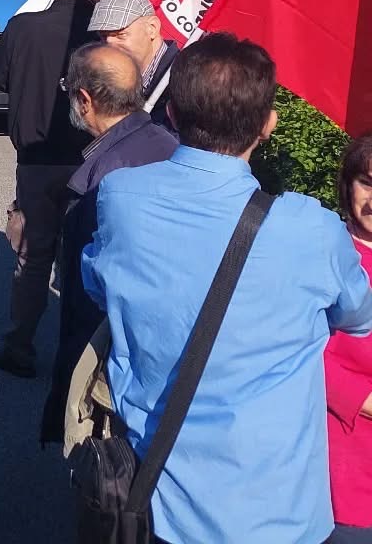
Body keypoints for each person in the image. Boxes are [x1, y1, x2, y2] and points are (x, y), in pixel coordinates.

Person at [84, 32, 372, 544]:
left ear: (169, 113)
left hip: (158, 495)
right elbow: (358, 315)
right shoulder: (311, 228)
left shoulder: (121, 196)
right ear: (268, 125)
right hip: (276, 511)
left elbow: (96, 280)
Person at [40, 42, 176, 444]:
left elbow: (87, 297)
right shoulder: (166, 144)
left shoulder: (105, 175)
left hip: (112, 368)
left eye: (68, 87)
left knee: (102, 485)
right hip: (159, 360)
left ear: (84, 100)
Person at [0, 0, 101, 378]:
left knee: (32, 258)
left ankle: (20, 345)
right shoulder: (105, 38)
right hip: (91, 161)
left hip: (34, 158)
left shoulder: (23, 27)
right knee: (81, 260)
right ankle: (78, 357)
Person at [328, 135, 372, 543]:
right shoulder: (329, 251)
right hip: (346, 461)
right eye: (368, 183)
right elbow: (300, 348)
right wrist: (361, 398)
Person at [87, 0, 179, 121]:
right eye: (103, 36)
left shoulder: (185, 80)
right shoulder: (104, 79)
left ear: (152, 28)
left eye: (120, 35)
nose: (109, 45)